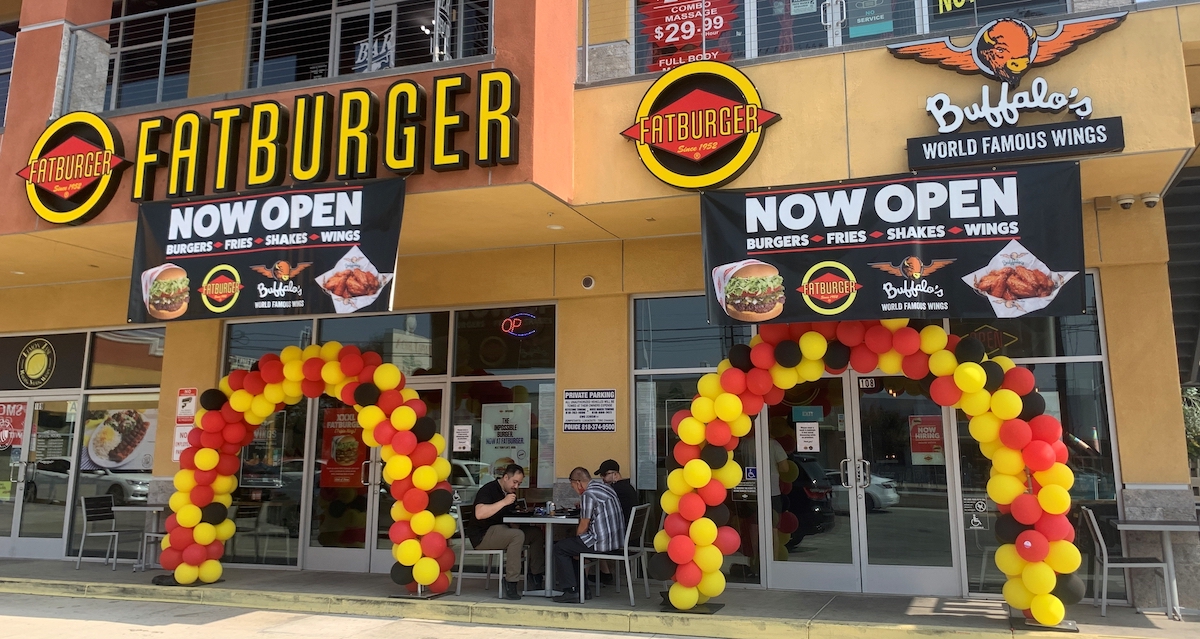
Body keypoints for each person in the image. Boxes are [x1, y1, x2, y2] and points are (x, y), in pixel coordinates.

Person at [466, 464, 545, 600]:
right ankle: (511, 582)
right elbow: (479, 513)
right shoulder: (489, 489)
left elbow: (511, 520)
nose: (516, 487)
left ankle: (536, 575)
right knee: (517, 536)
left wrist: (521, 513)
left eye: (519, 483)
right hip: (483, 535)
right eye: (515, 482)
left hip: (502, 530)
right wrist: (503, 502)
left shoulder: (509, 494)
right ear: (506, 477)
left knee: (535, 534)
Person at [552, 467, 624, 603]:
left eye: (573, 486)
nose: (575, 490)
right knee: (571, 546)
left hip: (601, 542)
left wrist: (577, 541)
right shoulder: (604, 487)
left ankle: (571, 591)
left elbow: (584, 525)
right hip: (615, 540)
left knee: (560, 548)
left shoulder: (588, 494)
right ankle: (583, 590)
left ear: (578, 482)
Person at [595, 459, 639, 585]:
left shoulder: (616, 490)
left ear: (614, 474)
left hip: (623, 539)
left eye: (604, 475)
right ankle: (605, 574)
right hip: (632, 536)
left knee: (588, 540)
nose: (602, 478)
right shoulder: (627, 487)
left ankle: (581, 584)